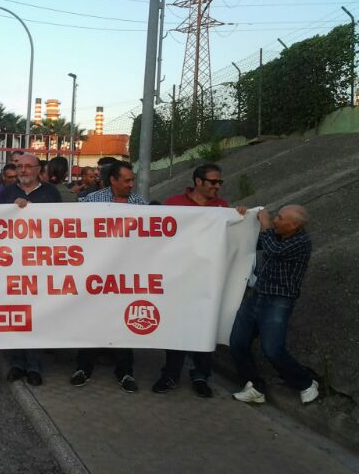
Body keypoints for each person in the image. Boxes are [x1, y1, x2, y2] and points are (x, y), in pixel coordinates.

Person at [152, 163, 247, 398]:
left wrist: (244, 218)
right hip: (178, 278)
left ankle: (201, 375)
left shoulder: (223, 208)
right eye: (213, 182)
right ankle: (171, 375)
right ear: (198, 182)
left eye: (220, 182)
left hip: (208, 281)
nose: (218, 186)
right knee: (176, 328)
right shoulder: (174, 203)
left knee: (206, 327)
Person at [230, 205, 318, 405]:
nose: (275, 220)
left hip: (278, 301)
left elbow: (273, 250)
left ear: (294, 225)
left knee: (273, 349)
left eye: (280, 218)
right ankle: (254, 386)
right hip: (258, 295)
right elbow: (252, 241)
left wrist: (266, 225)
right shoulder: (277, 235)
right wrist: (244, 218)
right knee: (237, 341)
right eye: (276, 216)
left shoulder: (301, 241)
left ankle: (305, 382)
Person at [74, 160, 145, 392]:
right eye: (127, 180)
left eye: (133, 180)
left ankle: (125, 372)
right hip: (95, 275)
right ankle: (84, 368)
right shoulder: (92, 201)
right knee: (91, 321)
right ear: (113, 180)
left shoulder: (140, 204)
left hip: (126, 277)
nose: (131, 185)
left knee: (124, 323)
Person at [0, 153, 60, 386]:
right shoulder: (6, 193)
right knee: (14, 314)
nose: (23, 170)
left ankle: (34, 366)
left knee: (36, 316)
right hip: (11, 264)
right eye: (19, 166)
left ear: (38, 169)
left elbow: (59, 226)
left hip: (39, 266)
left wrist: (33, 212)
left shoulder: (51, 193)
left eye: (28, 166)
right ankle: (16, 364)